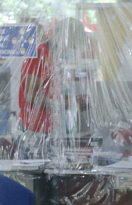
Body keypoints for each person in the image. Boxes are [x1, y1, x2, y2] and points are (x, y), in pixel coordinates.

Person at [17, 17, 87, 159]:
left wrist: (71, 101)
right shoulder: (40, 54)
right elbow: (31, 95)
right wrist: (63, 104)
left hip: (49, 130)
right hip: (34, 131)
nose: (72, 50)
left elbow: (50, 93)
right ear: (63, 36)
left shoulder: (54, 57)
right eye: (72, 45)